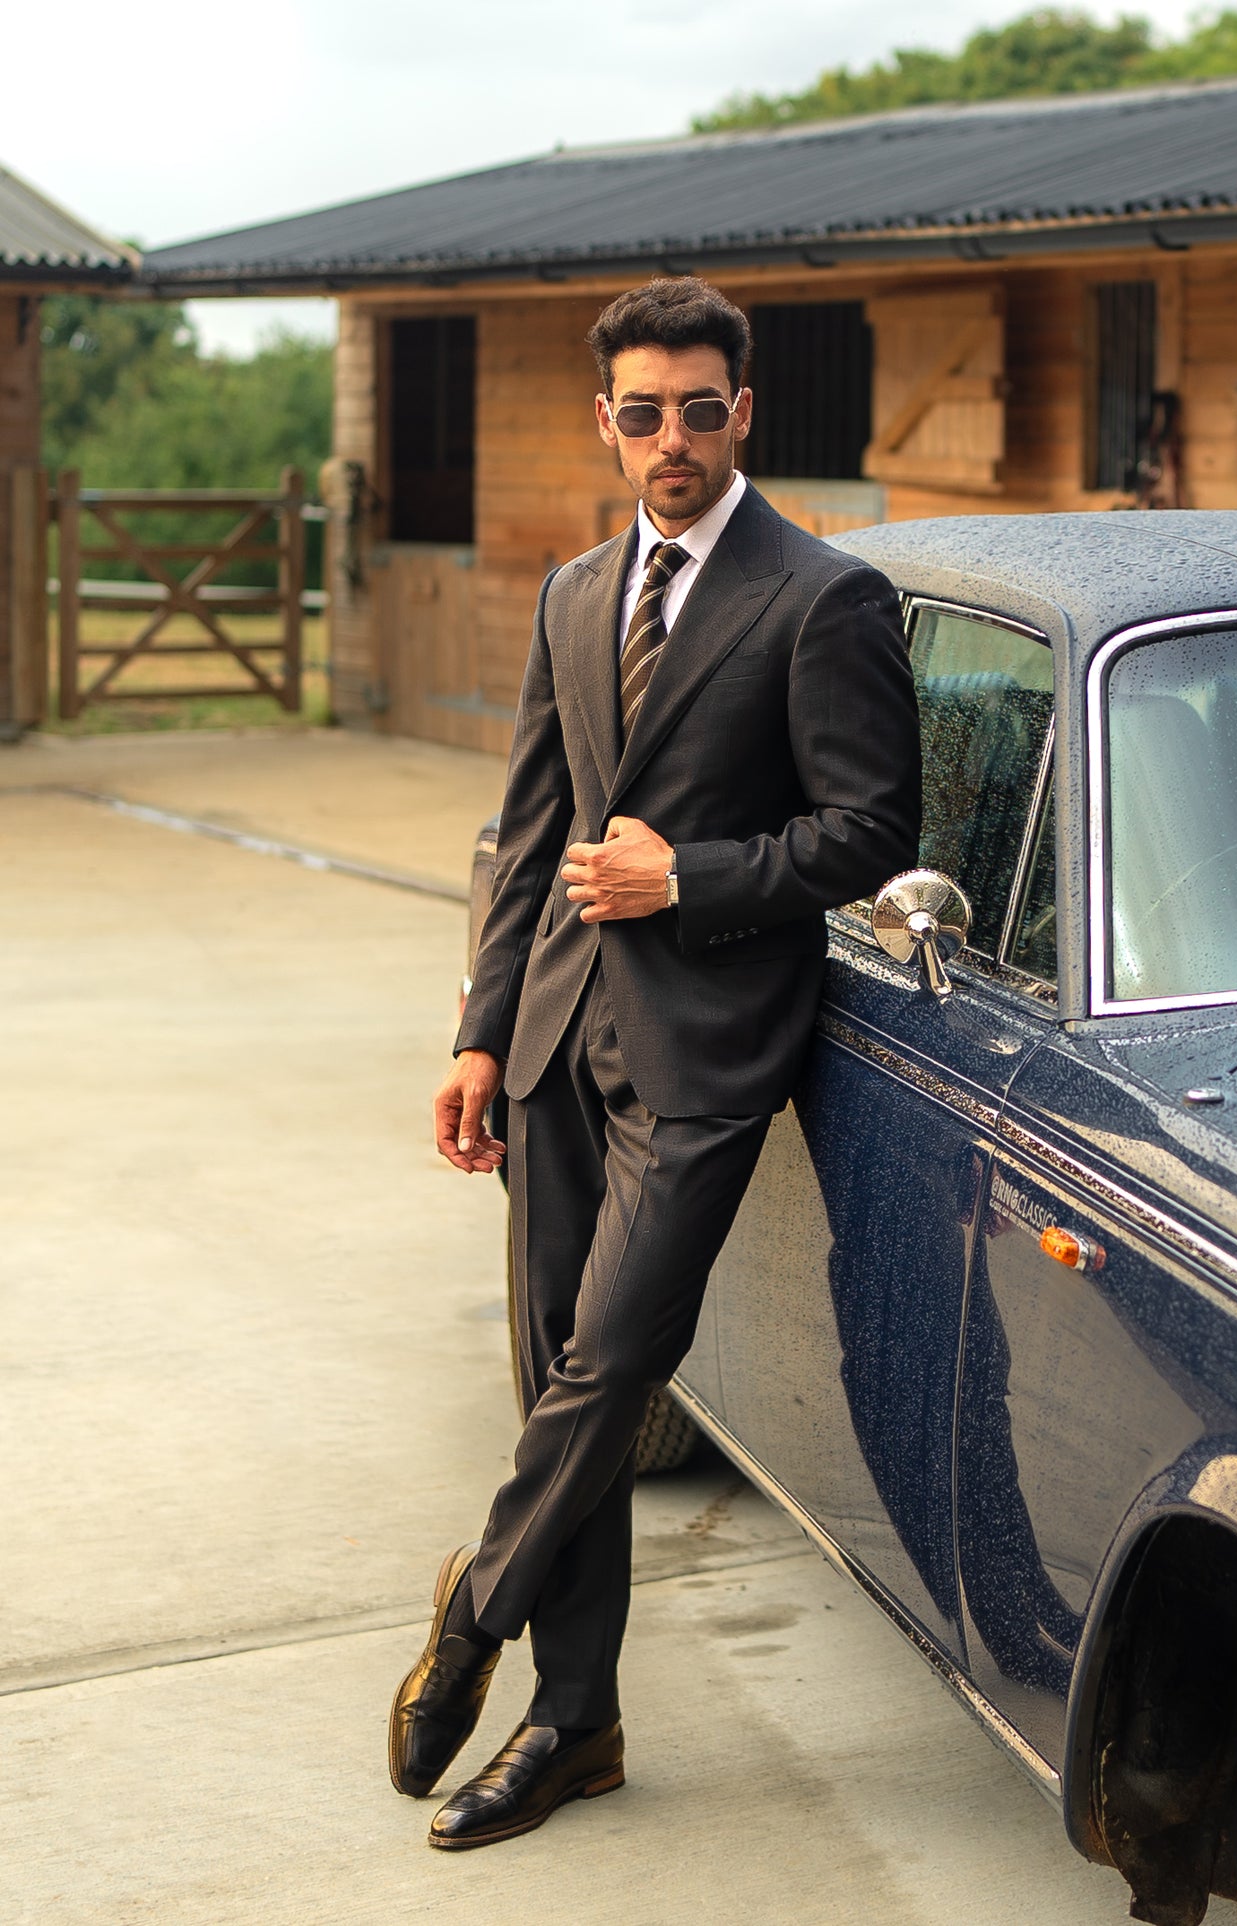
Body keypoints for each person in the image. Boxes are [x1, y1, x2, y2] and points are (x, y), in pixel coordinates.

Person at [389, 276, 922, 1851]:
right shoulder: (572, 593)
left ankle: (475, 1609)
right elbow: (530, 834)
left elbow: (868, 831)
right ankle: (577, 1722)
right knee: (553, 1374)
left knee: (613, 1363)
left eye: (699, 408)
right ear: (606, 423)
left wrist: (683, 874)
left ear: (741, 412)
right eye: (643, 413)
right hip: (554, 1035)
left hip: (706, 1051)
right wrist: (480, 1030)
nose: (671, 437)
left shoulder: (822, 595)